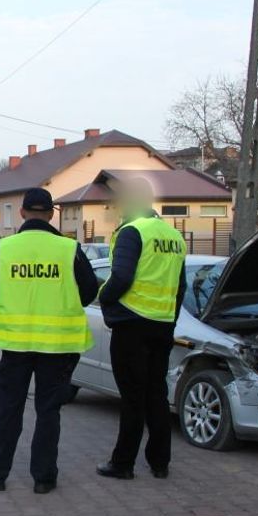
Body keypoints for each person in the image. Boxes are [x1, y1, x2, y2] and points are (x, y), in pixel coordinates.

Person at [0, 188, 98, 494]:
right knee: (48, 411)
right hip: (57, 347)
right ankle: (44, 479)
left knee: (9, 408)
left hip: (15, 345)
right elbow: (89, 292)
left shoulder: (4, 248)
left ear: (21, 213)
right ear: (51, 214)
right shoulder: (68, 248)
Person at [95, 176, 187, 481]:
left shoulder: (132, 232)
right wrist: (169, 320)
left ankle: (123, 464)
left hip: (131, 325)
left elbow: (121, 278)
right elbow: (180, 287)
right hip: (161, 325)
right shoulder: (173, 235)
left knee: (132, 398)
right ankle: (160, 463)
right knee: (156, 395)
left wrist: (103, 298)